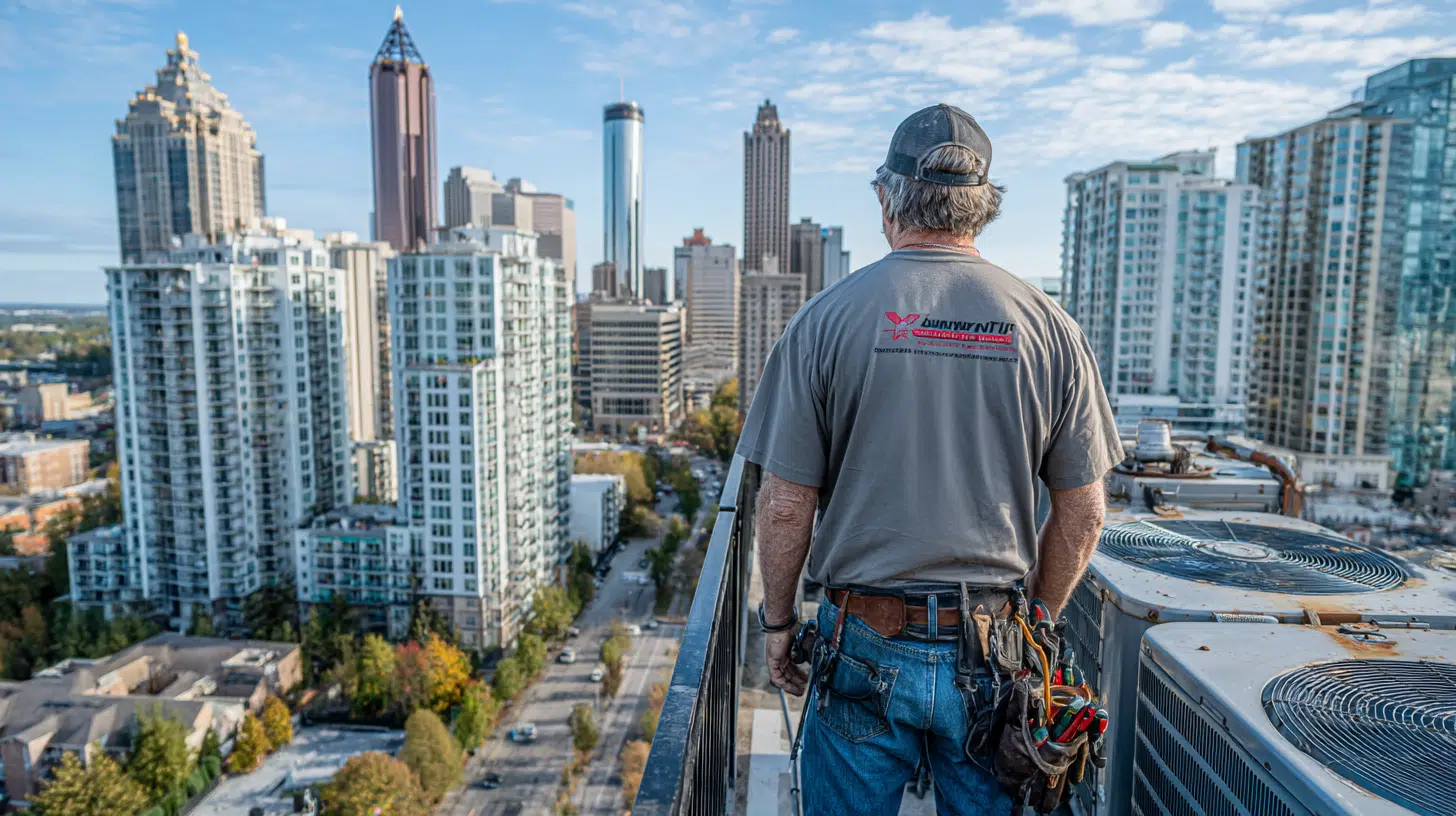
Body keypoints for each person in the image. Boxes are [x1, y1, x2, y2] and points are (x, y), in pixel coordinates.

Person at [737, 104, 1123, 814]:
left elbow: (786, 502)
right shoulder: (1050, 328)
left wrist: (781, 626)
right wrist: (1035, 618)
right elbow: (1086, 512)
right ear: (984, 209)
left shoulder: (824, 320)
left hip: (861, 642)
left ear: (886, 199)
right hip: (996, 650)